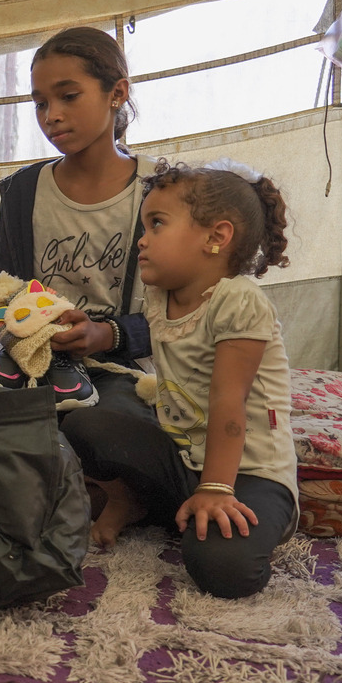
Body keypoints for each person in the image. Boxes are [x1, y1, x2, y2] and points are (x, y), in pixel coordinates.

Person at [73, 158, 297, 599]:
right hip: (183, 459)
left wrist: (216, 489)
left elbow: (228, 400)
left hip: (248, 471)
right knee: (85, 422)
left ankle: (269, 515)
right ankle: (130, 500)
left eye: (157, 224)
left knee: (223, 569)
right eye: (144, 226)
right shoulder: (160, 295)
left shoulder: (239, 300)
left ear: (216, 237)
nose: (143, 239)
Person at [0, 26, 157, 412]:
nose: (52, 116)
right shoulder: (22, 192)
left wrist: (107, 334)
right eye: (40, 103)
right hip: (33, 359)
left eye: (69, 96)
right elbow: (5, 287)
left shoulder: (160, 190)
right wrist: (3, 316)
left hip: (125, 368)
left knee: (98, 429)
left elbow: (191, 313)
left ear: (117, 93)